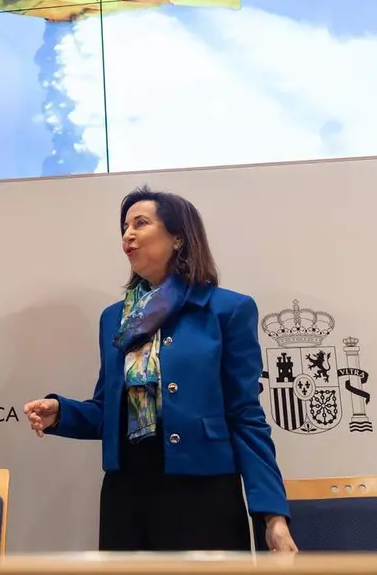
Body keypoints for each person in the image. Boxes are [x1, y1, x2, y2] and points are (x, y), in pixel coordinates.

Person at [24, 186, 297, 553]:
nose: (128, 235)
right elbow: (108, 412)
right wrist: (62, 413)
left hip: (204, 495)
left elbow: (246, 416)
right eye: (124, 227)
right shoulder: (115, 319)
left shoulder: (227, 310)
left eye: (140, 223)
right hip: (126, 497)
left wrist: (272, 516)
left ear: (178, 237)